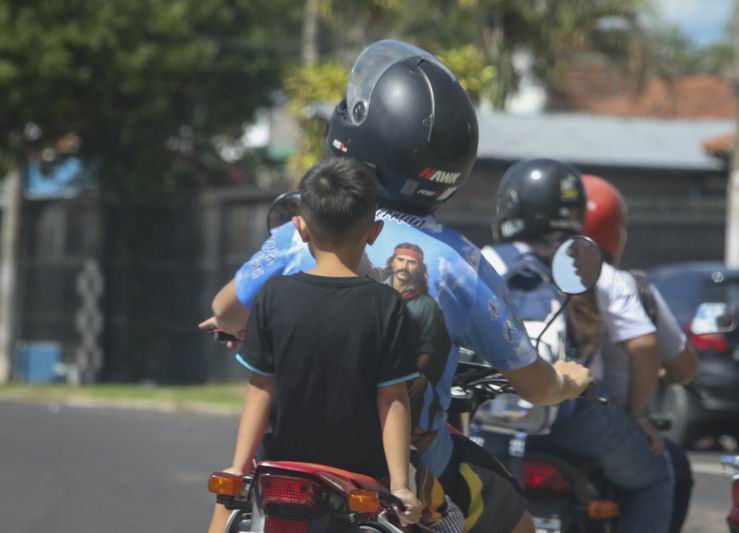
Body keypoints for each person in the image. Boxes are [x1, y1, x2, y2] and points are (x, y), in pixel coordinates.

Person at [202, 39, 592, 533]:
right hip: (400, 471)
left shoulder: (299, 234)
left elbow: (230, 312)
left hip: (284, 463)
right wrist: (567, 381)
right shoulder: (457, 262)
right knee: (515, 521)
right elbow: (531, 383)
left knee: (233, 499)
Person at [210, 157, 467, 532]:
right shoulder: (386, 304)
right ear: (374, 232)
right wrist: (399, 486)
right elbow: (392, 398)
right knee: (452, 522)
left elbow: (261, 387)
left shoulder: (273, 297)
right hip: (361, 478)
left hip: (279, 471)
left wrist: (238, 465)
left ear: (299, 228)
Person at [481, 158, 675, 533]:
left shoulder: (482, 261)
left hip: (491, 420)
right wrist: (639, 415)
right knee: (655, 475)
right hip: (573, 417)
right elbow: (645, 345)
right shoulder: (587, 265)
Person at [581, 173, 699, 533]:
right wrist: (641, 410)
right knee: (669, 470)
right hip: (605, 426)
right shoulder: (630, 287)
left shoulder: (527, 273)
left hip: (527, 421)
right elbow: (684, 367)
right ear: (617, 232)